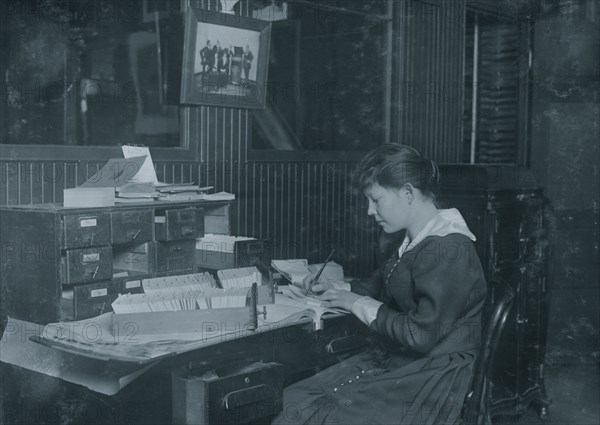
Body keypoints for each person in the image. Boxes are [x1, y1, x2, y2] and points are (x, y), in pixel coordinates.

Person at [272, 144, 487, 425]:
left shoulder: (449, 249)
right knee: (291, 402)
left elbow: (421, 336)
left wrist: (357, 303)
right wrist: (340, 290)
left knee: (317, 416)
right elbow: (379, 286)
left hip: (433, 373)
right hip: (400, 359)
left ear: (408, 193)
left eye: (376, 200)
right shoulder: (415, 240)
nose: (370, 211)